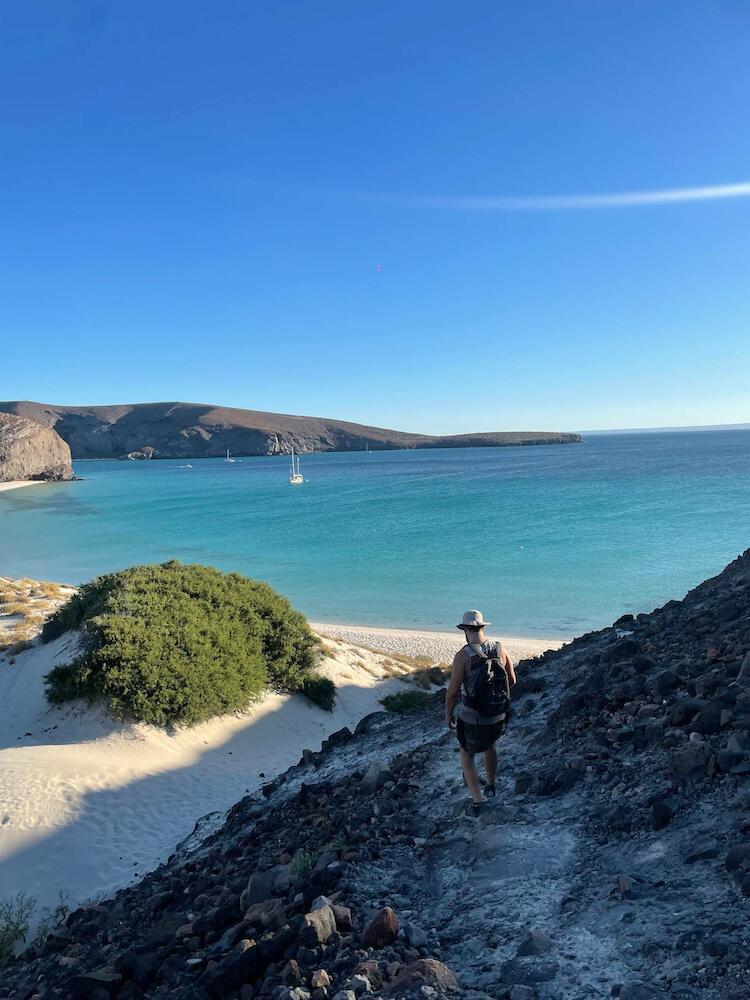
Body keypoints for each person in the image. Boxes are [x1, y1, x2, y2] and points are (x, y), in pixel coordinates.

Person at [445, 610, 516, 815]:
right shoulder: (500, 649)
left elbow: (452, 691)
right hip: (499, 714)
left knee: (466, 755)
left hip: (473, 717)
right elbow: (512, 680)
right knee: (490, 745)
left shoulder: (463, 655)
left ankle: (477, 800)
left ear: (465, 630)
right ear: (483, 627)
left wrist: (448, 714)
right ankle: (491, 785)